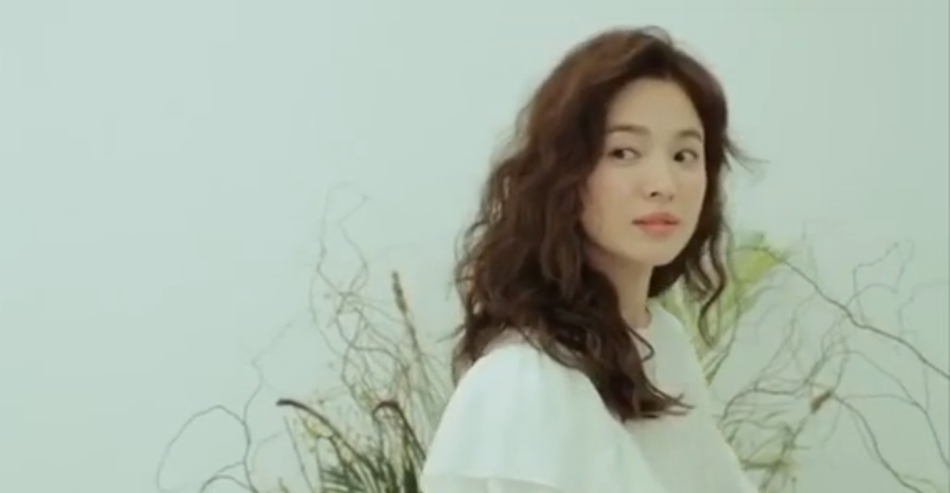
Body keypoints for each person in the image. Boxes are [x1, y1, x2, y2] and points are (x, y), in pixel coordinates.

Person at [419, 26, 759, 493]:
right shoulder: (523, 381)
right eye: (624, 152)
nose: (663, 184)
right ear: (565, 171)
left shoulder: (662, 341)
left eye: (685, 154)